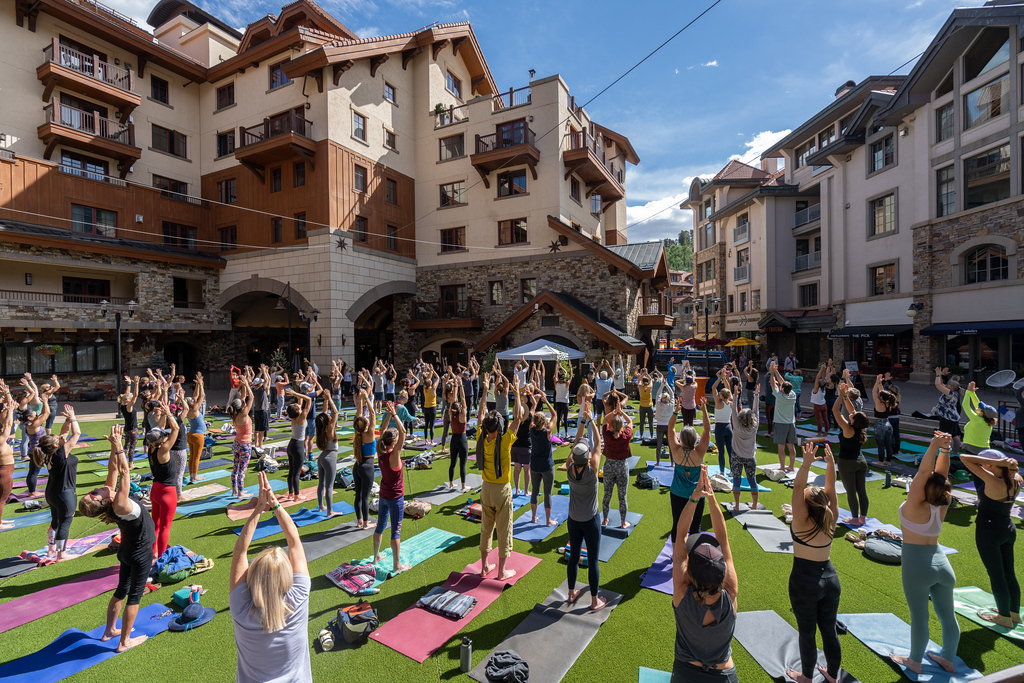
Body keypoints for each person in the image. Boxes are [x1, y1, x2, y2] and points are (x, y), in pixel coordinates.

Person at [78, 424, 156, 653]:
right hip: (140, 554)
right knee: (134, 596)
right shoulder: (120, 503)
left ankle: (108, 631)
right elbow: (124, 472)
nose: (95, 490)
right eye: (93, 494)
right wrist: (120, 447)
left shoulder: (110, 496)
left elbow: (113, 468)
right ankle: (124, 642)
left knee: (121, 590)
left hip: (127, 552)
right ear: (102, 503)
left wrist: (113, 445)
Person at [230, 471, 311, 683]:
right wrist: (275, 505)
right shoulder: (299, 596)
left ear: (253, 577)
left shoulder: (241, 607)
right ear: (287, 578)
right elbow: (294, 542)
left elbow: (240, 552)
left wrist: (258, 508)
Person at [892, 432, 958, 675]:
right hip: (942, 564)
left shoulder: (914, 505)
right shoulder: (944, 502)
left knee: (919, 617)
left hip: (916, 565)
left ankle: (914, 661)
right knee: (947, 617)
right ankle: (948, 659)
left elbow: (922, 474)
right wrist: (945, 450)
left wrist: (933, 445)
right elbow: (941, 476)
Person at [671, 466, 739, 682]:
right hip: (724, 675)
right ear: (722, 574)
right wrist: (711, 497)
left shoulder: (682, 592)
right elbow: (724, 538)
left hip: (685, 673)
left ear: (690, 572)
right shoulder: (731, 591)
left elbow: (681, 534)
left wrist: (694, 498)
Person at [787, 441, 841, 683]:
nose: (808, 487)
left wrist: (806, 463)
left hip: (804, 581)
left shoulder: (801, 519)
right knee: (828, 629)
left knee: (807, 632)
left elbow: (798, 484)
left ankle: (807, 677)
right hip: (831, 579)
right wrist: (830, 464)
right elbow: (831, 486)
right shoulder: (831, 516)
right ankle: (832, 675)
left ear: (806, 505)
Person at [959, 451, 1021, 629]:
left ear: (994, 465)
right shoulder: (1017, 478)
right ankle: (1014, 613)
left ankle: (1003, 617)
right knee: (1009, 573)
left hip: (989, 531)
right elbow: (1012, 467)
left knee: (997, 575)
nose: (982, 466)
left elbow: (964, 458)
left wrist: (994, 461)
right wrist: (1001, 463)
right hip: (1008, 528)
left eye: (986, 463)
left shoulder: (994, 481)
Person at [475, 374, 524, 581]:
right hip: (501, 490)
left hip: (485, 488)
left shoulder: (481, 436)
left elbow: (479, 416)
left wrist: (485, 391)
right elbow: (519, 417)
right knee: (504, 530)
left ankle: (485, 566)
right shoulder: (504, 442)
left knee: (486, 528)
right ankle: (502, 571)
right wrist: (517, 391)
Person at [566, 400, 607, 610]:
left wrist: (582, 420)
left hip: (573, 520)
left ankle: (571, 592)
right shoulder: (592, 472)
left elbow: (575, 445)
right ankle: (594, 600)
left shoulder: (568, 469)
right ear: (588, 457)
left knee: (573, 557)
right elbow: (599, 443)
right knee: (593, 560)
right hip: (590, 521)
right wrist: (591, 420)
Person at [34, 404, 82, 560]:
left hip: (52, 493)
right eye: (58, 439)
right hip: (64, 493)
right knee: (65, 523)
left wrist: (67, 420)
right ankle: (61, 554)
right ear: (55, 445)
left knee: (55, 522)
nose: (61, 437)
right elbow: (77, 434)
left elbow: (65, 432)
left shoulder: (50, 454)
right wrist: (73, 417)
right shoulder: (61, 454)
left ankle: (50, 550)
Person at [372, 404, 410, 573]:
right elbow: (404, 433)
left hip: (384, 495)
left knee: (380, 526)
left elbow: (381, 431)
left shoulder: (380, 451)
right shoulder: (394, 455)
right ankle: (396, 565)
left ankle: (376, 556)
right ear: (393, 443)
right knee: (395, 532)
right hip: (395, 498)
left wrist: (388, 415)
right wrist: (395, 415)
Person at [669, 395, 711, 541]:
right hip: (696, 494)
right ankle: (694, 556)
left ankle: (676, 556)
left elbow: (671, 428)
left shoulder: (676, 451)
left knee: (677, 525)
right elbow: (707, 430)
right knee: (695, 527)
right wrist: (704, 409)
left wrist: (676, 411)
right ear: (695, 439)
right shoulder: (699, 453)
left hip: (677, 493)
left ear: (681, 438)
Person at [832, 382, 871, 526]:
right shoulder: (861, 429)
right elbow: (852, 410)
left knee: (851, 491)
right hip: (861, 462)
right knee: (862, 491)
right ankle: (862, 518)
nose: (851, 414)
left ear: (854, 420)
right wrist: (845, 397)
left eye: (853, 415)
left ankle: (855, 518)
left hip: (847, 462)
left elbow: (835, 411)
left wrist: (839, 396)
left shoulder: (848, 429)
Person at [146, 402, 180, 558]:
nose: (166, 435)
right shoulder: (164, 450)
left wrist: (165, 415)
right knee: (166, 527)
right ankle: (160, 556)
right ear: (161, 441)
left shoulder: (151, 447)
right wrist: (170, 414)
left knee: (155, 524)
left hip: (155, 490)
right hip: (167, 492)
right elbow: (176, 429)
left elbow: (159, 430)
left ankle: (152, 551)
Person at [601, 397, 633, 530]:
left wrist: (614, 412)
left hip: (608, 466)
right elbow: (630, 421)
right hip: (622, 467)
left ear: (611, 426)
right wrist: (621, 412)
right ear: (621, 427)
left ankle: (605, 519)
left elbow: (604, 420)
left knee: (607, 493)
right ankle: (623, 522)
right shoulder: (625, 436)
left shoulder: (607, 435)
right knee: (622, 496)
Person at [530, 394, 558, 526]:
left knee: (535, 491)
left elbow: (531, 415)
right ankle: (548, 521)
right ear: (544, 422)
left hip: (535, 465)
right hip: (547, 466)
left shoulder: (531, 429)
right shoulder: (547, 432)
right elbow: (555, 415)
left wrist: (534, 404)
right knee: (547, 494)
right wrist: (546, 402)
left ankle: (533, 517)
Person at [283, 388, 313, 502]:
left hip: (291, 445)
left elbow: (300, 404)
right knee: (296, 472)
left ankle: (291, 493)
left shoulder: (294, 417)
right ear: (298, 410)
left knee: (291, 472)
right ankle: (296, 495)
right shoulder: (301, 417)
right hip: (298, 446)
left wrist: (298, 394)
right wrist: (296, 393)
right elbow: (309, 400)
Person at [769, 361, 798, 472]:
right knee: (791, 445)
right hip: (791, 423)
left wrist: (772, 373)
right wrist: (776, 370)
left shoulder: (779, 396)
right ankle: (791, 466)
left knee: (781, 446)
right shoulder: (792, 394)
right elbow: (783, 383)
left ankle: (782, 466)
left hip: (781, 424)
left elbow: (773, 383)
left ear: (782, 389)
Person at [729, 407, 759, 511]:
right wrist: (756, 395)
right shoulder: (755, 428)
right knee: (752, 480)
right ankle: (754, 505)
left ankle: (737, 506)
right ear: (752, 418)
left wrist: (736, 396)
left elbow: (733, 410)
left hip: (736, 457)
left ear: (740, 418)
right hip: (750, 458)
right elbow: (756, 410)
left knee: (736, 480)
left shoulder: (737, 427)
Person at [315, 388, 339, 514]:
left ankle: (321, 506)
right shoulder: (330, 428)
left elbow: (324, 414)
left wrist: (325, 399)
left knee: (321, 484)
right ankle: (330, 510)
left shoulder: (321, 428)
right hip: (330, 457)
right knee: (329, 486)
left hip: (322, 457)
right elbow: (335, 413)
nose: (328, 414)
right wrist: (329, 399)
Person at [352, 414, 375, 530]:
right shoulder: (369, 434)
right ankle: (366, 523)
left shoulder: (358, 435)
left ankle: (359, 521)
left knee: (359, 496)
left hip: (357, 466)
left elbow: (359, 417)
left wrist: (361, 399)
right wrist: (367, 398)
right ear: (366, 424)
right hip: (367, 467)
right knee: (365, 497)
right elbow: (373, 415)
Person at [962, 381, 998, 455]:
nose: (977, 407)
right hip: (984, 449)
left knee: (967, 466)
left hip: (973, 448)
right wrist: (973, 393)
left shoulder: (977, 420)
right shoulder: (987, 420)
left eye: (980, 408)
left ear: (981, 413)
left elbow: (965, 405)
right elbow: (977, 405)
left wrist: (968, 391)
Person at [510, 391, 534, 497]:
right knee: (527, 470)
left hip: (515, 446)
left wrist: (518, 395)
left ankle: (517, 490)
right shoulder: (529, 419)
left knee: (517, 469)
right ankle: (525, 491)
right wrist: (528, 392)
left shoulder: (515, 421)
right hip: (526, 447)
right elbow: (534, 404)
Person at [447, 381, 470, 491]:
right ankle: (463, 486)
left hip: (453, 439)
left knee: (453, 463)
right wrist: (460, 386)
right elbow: (463, 400)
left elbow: (452, 402)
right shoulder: (462, 415)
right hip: (462, 440)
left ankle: (451, 483)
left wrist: (455, 386)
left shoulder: (451, 414)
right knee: (462, 464)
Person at [870, 376, 898, 464]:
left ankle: (880, 461)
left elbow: (874, 392)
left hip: (880, 424)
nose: (878, 396)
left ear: (881, 398)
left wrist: (877, 382)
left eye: (879, 396)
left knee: (881, 444)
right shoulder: (888, 402)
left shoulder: (879, 403)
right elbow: (882, 392)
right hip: (888, 424)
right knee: (888, 444)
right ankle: (888, 461)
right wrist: (880, 383)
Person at [711, 368, 734, 476]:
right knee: (730, 451)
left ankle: (721, 471)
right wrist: (725, 379)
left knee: (721, 451)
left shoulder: (718, 402)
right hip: (728, 427)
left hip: (719, 428)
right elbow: (728, 389)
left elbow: (713, 387)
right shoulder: (731, 402)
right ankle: (732, 471)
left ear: (721, 395)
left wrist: (720, 378)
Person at [185, 374, 207, 484]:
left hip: (191, 435)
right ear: (192, 403)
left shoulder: (188, 410)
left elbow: (196, 395)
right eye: (192, 400)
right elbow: (201, 396)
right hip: (198, 436)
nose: (194, 399)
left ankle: (192, 476)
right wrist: (201, 384)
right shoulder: (194, 409)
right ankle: (194, 477)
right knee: (196, 457)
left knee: (192, 457)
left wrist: (198, 385)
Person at [0, 381, 16, 530]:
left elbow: (6, 423)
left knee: (1, 499)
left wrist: (6, 396)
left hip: (5, 470)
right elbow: (8, 426)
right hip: (4, 472)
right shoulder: (0, 440)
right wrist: (10, 410)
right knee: (2, 499)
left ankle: (0, 520)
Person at [654, 382, 676, 467]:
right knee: (671, 445)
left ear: (662, 399)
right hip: (668, 426)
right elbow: (672, 394)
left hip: (660, 426)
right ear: (668, 399)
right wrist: (667, 385)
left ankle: (658, 462)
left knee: (659, 445)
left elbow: (658, 394)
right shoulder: (671, 405)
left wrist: (663, 385)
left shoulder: (658, 404)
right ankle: (672, 463)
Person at [422, 364, 439, 445]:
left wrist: (430, 370)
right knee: (431, 425)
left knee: (426, 424)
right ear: (430, 383)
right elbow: (438, 378)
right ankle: (432, 440)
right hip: (432, 408)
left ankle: (426, 440)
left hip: (426, 408)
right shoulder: (432, 389)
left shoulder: (424, 388)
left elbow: (427, 380)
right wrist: (433, 371)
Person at [594, 359, 614, 429]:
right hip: (607, 400)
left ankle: (599, 429)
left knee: (599, 415)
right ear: (606, 376)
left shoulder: (598, 381)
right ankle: (606, 429)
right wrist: (609, 366)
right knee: (606, 415)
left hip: (599, 400)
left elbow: (595, 373)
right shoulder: (609, 382)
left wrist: (600, 366)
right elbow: (613, 374)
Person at [554, 365, 572, 438]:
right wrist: (570, 367)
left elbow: (555, 375)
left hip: (558, 402)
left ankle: (558, 433)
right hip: (565, 403)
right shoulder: (566, 384)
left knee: (558, 418)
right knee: (565, 418)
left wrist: (557, 366)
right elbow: (570, 376)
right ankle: (566, 433)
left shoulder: (557, 384)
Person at [810, 365, 829, 437]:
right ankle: (826, 432)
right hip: (824, 404)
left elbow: (817, 378)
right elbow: (822, 378)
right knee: (825, 419)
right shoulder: (823, 388)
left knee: (819, 420)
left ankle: (819, 433)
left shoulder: (816, 390)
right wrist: (824, 370)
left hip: (817, 405)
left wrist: (821, 369)